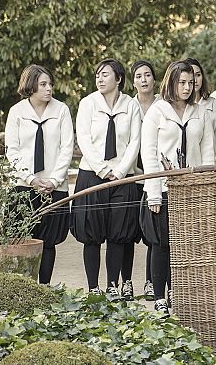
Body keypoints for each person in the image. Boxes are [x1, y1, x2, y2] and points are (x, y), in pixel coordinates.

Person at [140, 60, 216, 313]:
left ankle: (180, 293)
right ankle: (160, 296)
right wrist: (153, 194)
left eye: (191, 83)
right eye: (181, 83)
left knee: (187, 244)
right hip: (162, 188)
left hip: (192, 190)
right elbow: (149, 154)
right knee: (162, 244)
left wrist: (207, 189)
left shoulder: (201, 112)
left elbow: (207, 154)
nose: (187, 87)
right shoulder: (157, 111)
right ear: (171, 83)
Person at [72, 59, 141, 298]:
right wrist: (102, 170)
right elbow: (84, 139)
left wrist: (120, 172)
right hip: (92, 175)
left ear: (119, 79)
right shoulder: (88, 103)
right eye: (97, 75)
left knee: (118, 233)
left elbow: (135, 141)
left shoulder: (130, 106)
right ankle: (93, 287)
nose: (99, 79)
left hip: (122, 178)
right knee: (91, 234)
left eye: (105, 75)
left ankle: (113, 285)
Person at [4, 64, 74, 285]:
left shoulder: (61, 110)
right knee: (22, 240)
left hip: (54, 188)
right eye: (43, 84)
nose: (49, 89)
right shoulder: (17, 112)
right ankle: (24, 288)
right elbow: (11, 150)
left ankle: (44, 287)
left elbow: (67, 147)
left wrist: (53, 180)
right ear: (31, 85)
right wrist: (31, 179)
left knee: (48, 241)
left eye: (50, 84)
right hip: (24, 186)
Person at [131, 59, 160, 301]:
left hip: (156, 173)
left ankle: (152, 282)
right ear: (133, 81)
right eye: (139, 76)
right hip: (133, 172)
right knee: (128, 233)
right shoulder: (128, 106)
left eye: (147, 75)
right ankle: (125, 282)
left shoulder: (163, 105)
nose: (144, 79)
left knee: (154, 234)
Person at [187, 57, 216, 155]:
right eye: (191, 76)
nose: (195, 80)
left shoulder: (213, 104)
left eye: (198, 75)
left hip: (211, 161)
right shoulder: (180, 106)